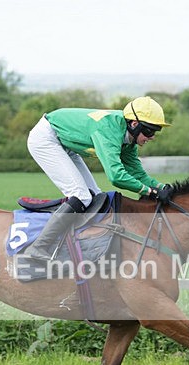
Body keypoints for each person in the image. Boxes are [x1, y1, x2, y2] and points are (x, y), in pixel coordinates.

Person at [22, 96, 175, 261]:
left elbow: (137, 174)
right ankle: (38, 247)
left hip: (66, 143)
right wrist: (149, 191)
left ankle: (83, 245)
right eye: (149, 131)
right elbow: (116, 176)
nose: (152, 137)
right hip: (46, 138)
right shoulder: (109, 131)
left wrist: (161, 187)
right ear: (134, 124)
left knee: (96, 198)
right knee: (81, 196)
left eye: (155, 131)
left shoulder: (129, 139)